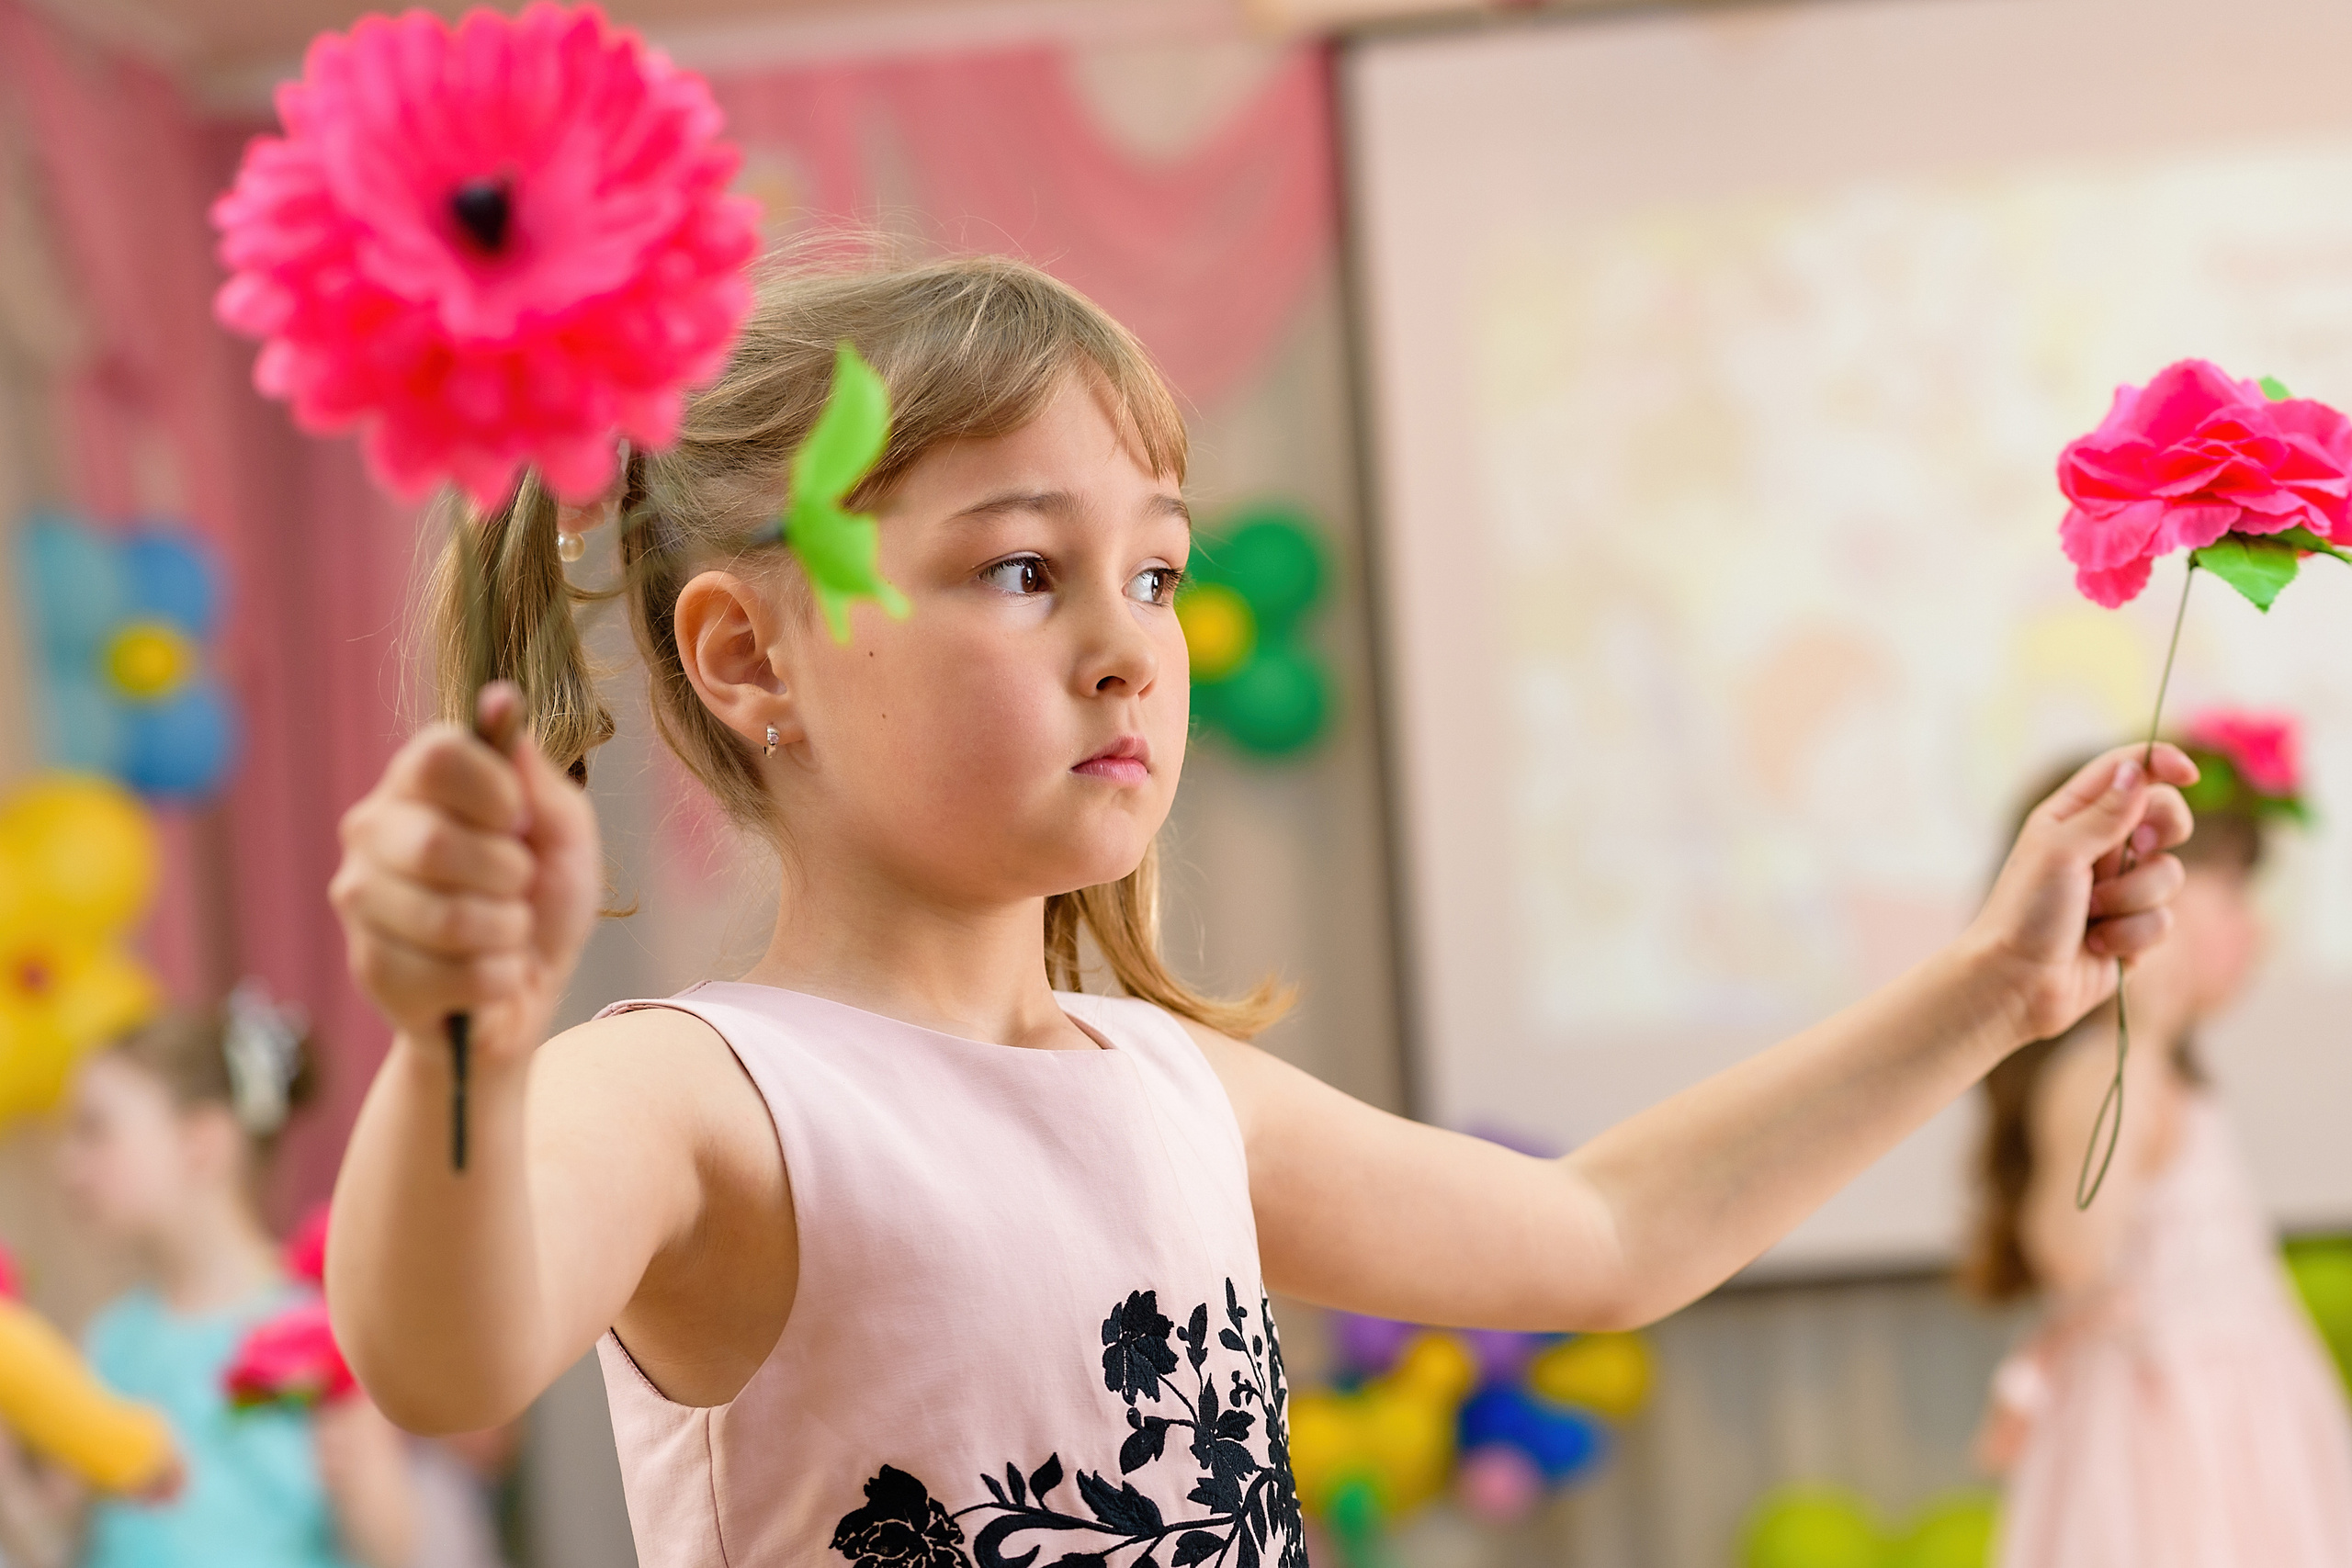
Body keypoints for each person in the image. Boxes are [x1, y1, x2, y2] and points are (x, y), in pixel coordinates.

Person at [323, 254, 2195, 1568]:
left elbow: (1604, 1230)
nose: (1127, 643)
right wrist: (460, 1039)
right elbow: (441, 1352)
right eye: (1025, 566)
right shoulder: (701, 1092)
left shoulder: (1167, 1084)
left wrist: (1982, 992)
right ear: (750, 654)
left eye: (1155, 564)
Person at [1965, 715, 2352, 1568]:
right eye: (2232, 893)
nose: (2258, 929)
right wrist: (2137, 1033)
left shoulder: (2170, 1072)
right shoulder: (2105, 1066)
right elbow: (2071, 1253)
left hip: (2241, 1408)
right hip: (2166, 1427)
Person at [53, 991, 416, 1568]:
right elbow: (55, 1540)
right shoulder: (110, 1343)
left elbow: (392, 1553)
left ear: (202, 1143)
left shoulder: (319, 1327)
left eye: (96, 1131)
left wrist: (361, 1472)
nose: (68, 1166)